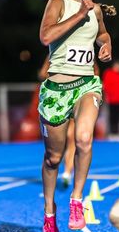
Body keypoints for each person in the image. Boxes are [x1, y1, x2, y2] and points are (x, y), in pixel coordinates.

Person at [38, 0, 112, 232]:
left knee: (83, 140)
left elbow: (103, 34)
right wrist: (79, 14)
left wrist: (105, 45)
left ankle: (77, 200)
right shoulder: (58, 2)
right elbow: (45, 37)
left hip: (86, 85)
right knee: (53, 158)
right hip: (56, 90)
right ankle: (49, 212)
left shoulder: (96, 11)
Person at [38, 54, 100, 187]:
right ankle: (57, 166)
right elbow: (42, 74)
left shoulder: (83, 47)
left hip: (78, 98)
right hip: (59, 100)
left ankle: (67, 172)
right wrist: (58, 81)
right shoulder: (54, 52)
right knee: (57, 149)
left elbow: (95, 72)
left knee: (73, 137)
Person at [102, 59, 119, 140]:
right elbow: (105, 86)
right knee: (112, 117)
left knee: (118, 117)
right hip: (112, 99)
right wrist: (106, 96)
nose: (118, 67)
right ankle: (112, 133)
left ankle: (117, 133)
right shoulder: (108, 73)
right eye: (117, 65)